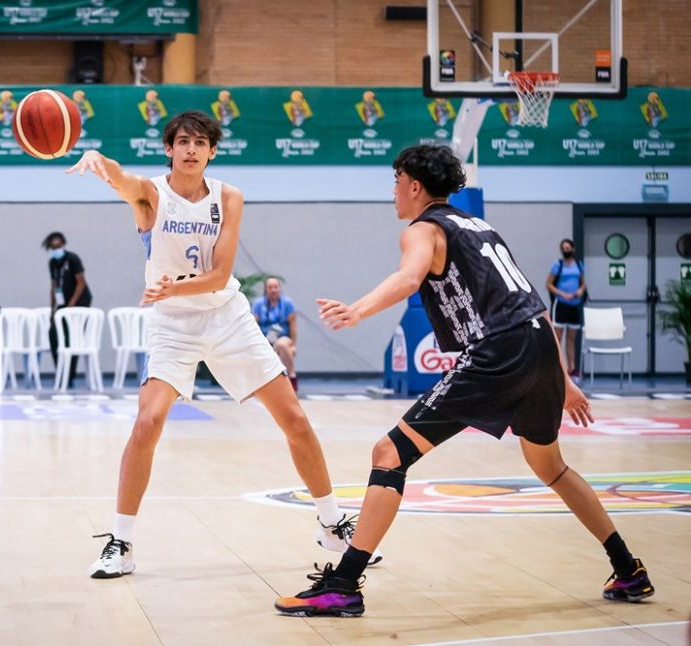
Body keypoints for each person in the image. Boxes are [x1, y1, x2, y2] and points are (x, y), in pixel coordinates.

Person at [275, 144, 653, 617]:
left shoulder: (423, 229)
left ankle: (343, 585)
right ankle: (628, 568)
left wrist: (357, 309)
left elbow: (409, 279)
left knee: (389, 454)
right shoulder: (481, 227)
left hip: (499, 350)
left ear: (415, 186)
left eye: (396, 182)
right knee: (551, 466)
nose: (393, 191)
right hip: (538, 345)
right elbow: (533, 303)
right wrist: (562, 377)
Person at [67, 110, 376, 578]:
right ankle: (121, 542)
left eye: (200, 142)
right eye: (183, 141)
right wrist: (99, 160)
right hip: (173, 323)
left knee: (294, 419)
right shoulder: (152, 194)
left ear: (212, 151)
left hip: (226, 316)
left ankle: (332, 524)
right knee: (147, 422)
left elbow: (219, 274)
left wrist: (172, 287)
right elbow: (123, 181)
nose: (191, 149)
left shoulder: (229, 197)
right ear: (169, 149)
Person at [43, 232, 92, 389]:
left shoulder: (72, 259)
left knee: (72, 338)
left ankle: (69, 376)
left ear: (63, 244)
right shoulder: (53, 263)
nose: (55, 250)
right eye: (52, 247)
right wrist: (52, 309)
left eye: (58, 246)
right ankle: (61, 370)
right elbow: (54, 286)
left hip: (79, 302)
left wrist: (72, 304)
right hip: (63, 304)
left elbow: (81, 282)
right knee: (53, 334)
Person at [546, 239, 587, 377]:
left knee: (571, 340)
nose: (566, 250)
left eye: (568, 248)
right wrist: (562, 294)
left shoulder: (579, 266)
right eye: (563, 248)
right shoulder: (558, 265)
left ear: (573, 249)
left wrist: (580, 291)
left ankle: (572, 368)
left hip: (574, 307)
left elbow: (583, 283)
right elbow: (549, 284)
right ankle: (558, 368)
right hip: (561, 305)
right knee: (558, 339)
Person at [253, 277, 299, 391]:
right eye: (270, 287)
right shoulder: (259, 304)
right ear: (266, 289)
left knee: (281, 344)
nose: (273, 290)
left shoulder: (287, 304)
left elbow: (293, 325)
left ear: (279, 288)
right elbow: (253, 324)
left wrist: (293, 345)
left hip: (283, 337)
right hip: (264, 339)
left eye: (275, 287)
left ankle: (291, 376)